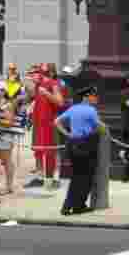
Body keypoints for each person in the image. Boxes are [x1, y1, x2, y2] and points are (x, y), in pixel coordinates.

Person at [55, 85, 102, 216]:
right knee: (84, 178)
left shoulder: (73, 108)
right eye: (94, 96)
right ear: (86, 97)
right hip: (86, 145)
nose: (96, 98)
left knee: (77, 176)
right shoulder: (91, 111)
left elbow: (57, 121)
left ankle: (77, 205)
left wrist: (68, 134)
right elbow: (99, 127)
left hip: (73, 144)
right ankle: (71, 205)